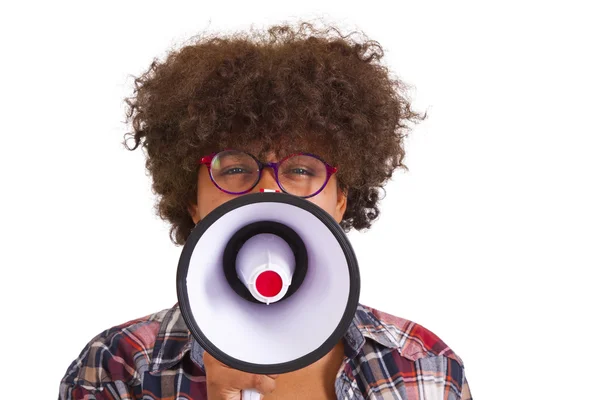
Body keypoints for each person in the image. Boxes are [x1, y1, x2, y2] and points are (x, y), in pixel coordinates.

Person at [59, 22, 472, 400]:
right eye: (236, 168)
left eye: (300, 169)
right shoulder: (117, 367)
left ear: (341, 201)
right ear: (193, 203)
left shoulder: (425, 366)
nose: (269, 189)